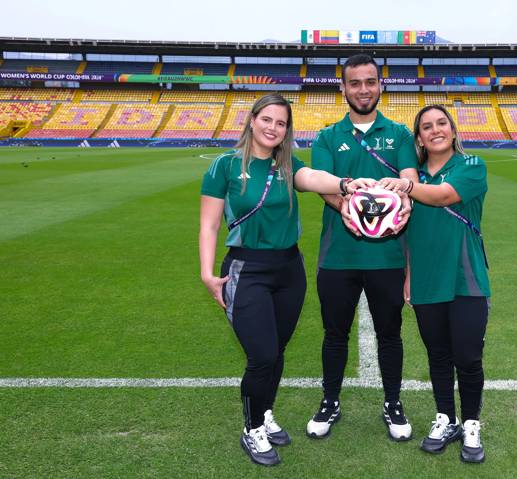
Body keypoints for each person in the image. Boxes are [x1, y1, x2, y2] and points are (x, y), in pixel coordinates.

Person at [199, 93, 372, 466]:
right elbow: (209, 223)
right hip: (247, 270)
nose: (273, 128)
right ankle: (252, 428)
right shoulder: (223, 166)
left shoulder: (287, 164)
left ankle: (264, 413)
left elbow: (311, 177)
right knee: (261, 355)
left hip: (289, 270)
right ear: (252, 120)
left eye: (281, 123)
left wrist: (344, 183)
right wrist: (207, 274)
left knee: (276, 352)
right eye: (267, 120)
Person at [306, 53, 419, 442]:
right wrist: (355, 208)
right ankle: (330, 401)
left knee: (391, 333)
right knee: (334, 333)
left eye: (370, 81)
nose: (363, 89)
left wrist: (401, 190)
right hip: (338, 256)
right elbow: (323, 185)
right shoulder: (326, 136)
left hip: (388, 256)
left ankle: (393, 403)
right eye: (354, 83)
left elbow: (408, 175)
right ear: (343, 88)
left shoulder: (401, 134)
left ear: (380, 85)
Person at [380, 104, 491, 463]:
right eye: (426, 127)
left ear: (453, 131)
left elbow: (444, 196)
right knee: (438, 356)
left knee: (468, 357)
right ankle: (447, 418)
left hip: (466, 277)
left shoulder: (472, 166)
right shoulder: (413, 178)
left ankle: (472, 423)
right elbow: (410, 235)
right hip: (427, 280)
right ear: (420, 139)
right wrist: (410, 275)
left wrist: (407, 186)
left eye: (441, 123)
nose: (435, 130)